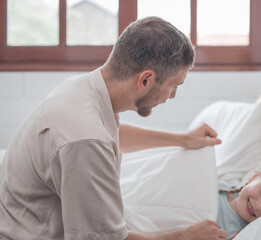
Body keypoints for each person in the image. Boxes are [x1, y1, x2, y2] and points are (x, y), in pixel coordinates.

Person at [0, 16, 227, 240]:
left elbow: (114, 134)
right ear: (145, 80)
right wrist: (185, 236)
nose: (173, 95)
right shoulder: (86, 140)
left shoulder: (84, 89)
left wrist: (183, 139)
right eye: (174, 85)